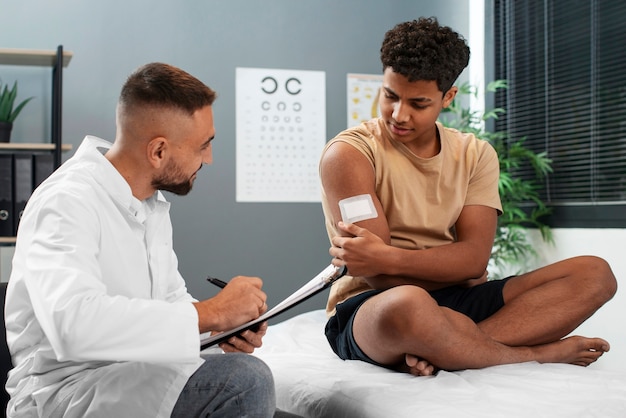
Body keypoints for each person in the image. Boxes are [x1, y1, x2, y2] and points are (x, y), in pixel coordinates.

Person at [319, 17, 618, 377]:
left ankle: (450, 347)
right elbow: (379, 273)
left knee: (595, 274)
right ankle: (535, 353)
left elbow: (473, 261)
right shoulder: (349, 154)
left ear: (448, 97)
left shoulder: (476, 154)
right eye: (390, 95)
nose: (399, 114)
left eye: (418, 103)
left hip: (459, 299)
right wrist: (440, 266)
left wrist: (392, 256)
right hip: (376, 305)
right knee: (410, 303)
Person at [5, 63, 278, 417]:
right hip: (66, 394)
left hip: (129, 378)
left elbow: (170, 301)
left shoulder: (149, 205)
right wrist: (212, 311)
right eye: (203, 145)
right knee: (242, 381)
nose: (209, 158)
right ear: (159, 151)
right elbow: (73, 324)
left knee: (242, 375)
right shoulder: (66, 201)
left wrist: (218, 330)